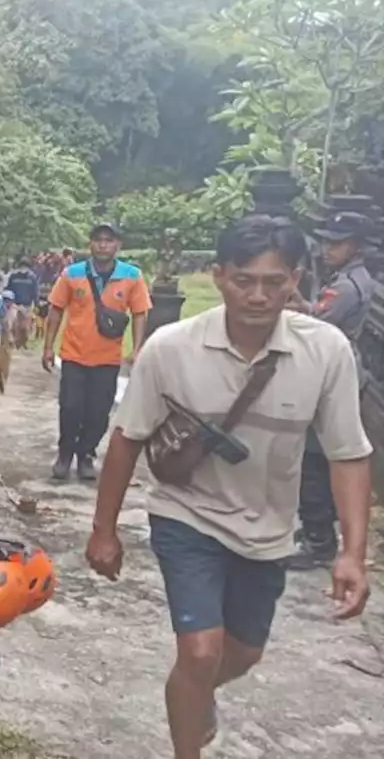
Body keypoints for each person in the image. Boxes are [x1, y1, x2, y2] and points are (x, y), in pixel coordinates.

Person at [86, 215, 372, 759]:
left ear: (295, 281)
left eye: (274, 281)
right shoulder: (171, 348)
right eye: (244, 280)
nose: (259, 296)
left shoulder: (326, 350)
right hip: (186, 512)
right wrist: (104, 530)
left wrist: (353, 554)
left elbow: (348, 454)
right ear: (218, 277)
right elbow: (126, 440)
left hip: (267, 528)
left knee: (239, 654)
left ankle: (195, 698)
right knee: (198, 653)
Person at [287, 210, 376, 570]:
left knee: (313, 458)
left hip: (331, 372)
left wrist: (295, 307)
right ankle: (319, 531)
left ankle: (319, 540)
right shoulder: (351, 279)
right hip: (340, 368)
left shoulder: (345, 286)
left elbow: (317, 325)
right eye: (325, 241)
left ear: (354, 246)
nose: (327, 249)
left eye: (335, 243)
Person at [42, 223, 151, 481]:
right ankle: (65, 453)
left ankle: (86, 454)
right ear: (90, 244)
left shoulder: (132, 276)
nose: (103, 244)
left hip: (108, 358)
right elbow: (56, 310)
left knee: (99, 411)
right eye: (98, 240)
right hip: (74, 355)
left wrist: (136, 349)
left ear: (118, 245)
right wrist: (48, 346)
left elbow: (139, 314)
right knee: (70, 407)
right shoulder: (72, 274)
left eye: (109, 240)